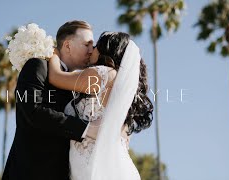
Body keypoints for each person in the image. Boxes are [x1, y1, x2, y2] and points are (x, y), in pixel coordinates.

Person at [2, 20, 100, 180]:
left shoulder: (78, 84)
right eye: (87, 44)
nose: (91, 50)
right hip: (29, 172)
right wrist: (86, 129)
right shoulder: (37, 66)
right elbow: (34, 111)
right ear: (67, 46)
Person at [49, 31, 153, 180]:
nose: (92, 49)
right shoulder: (121, 87)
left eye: (97, 45)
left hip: (93, 165)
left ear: (107, 50)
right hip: (110, 165)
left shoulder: (102, 73)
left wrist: (53, 52)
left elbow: (55, 77)